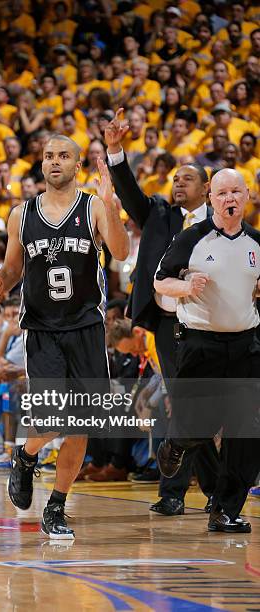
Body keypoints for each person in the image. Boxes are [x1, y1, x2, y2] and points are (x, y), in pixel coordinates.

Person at [0, 134, 129, 539]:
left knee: (80, 423)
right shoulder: (22, 214)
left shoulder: (93, 206)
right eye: (49, 156)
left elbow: (122, 253)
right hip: (41, 328)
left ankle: (55, 507)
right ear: (42, 164)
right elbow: (9, 273)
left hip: (86, 327)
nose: (55, 162)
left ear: (77, 164)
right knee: (52, 418)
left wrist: (111, 205)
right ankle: (25, 455)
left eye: (64, 156)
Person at [106, 109, 219, 517]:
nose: (177, 183)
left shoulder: (220, 225)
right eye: (174, 179)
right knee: (186, 402)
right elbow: (129, 192)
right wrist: (116, 151)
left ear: (207, 188)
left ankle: (210, 488)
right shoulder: (157, 214)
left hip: (212, 325)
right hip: (169, 326)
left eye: (186, 179)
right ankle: (176, 492)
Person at [155, 168, 260, 533]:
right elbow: (159, 280)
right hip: (200, 343)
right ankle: (175, 443)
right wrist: (184, 286)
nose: (230, 199)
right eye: (222, 193)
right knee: (201, 423)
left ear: (247, 196)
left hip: (246, 345)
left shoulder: (257, 243)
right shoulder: (192, 238)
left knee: (246, 432)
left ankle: (225, 510)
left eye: (236, 192)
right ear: (211, 199)